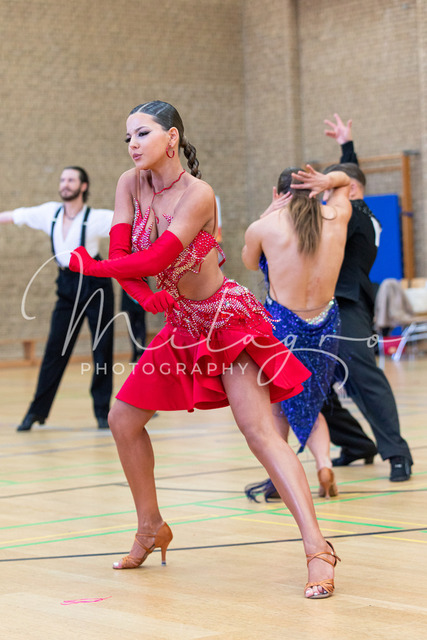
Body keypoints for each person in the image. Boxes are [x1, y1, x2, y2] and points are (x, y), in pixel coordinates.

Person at [68, 100, 341, 599]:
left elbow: (155, 258)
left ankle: (317, 548)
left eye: (143, 134)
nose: (132, 145)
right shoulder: (130, 184)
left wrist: (93, 268)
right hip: (181, 324)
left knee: (259, 433)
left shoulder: (199, 193)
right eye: (127, 137)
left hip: (225, 320)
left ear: (171, 138)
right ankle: (151, 527)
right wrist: (143, 296)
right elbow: (127, 256)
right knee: (122, 420)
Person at [242, 165, 351, 502]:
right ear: (316, 189)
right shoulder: (336, 217)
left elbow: (249, 262)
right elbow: (346, 181)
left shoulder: (264, 226)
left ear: (278, 193)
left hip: (282, 326)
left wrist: (265, 213)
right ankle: (324, 464)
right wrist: (329, 180)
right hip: (325, 325)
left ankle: (279, 476)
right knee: (312, 402)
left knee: (279, 405)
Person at [320, 113, 413, 482]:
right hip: (320, 309)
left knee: (363, 378)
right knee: (305, 383)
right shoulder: (350, 205)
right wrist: (347, 147)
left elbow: (349, 183)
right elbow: (351, 176)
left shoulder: (357, 213)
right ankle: (357, 444)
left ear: (350, 190)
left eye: (330, 188)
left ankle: (397, 453)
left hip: (348, 306)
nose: (324, 195)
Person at [0, 167, 115, 430]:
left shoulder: (96, 218)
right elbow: (17, 215)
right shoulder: (49, 213)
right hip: (66, 285)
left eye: (71, 180)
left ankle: (102, 411)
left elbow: (129, 223)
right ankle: (36, 411)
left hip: (95, 284)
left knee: (102, 349)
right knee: (55, 350)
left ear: (83, 186)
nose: (65, 184)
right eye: (62, 179)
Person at [121, 289, 146, 361]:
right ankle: (135, 350)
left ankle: (142, 349)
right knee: (134, 324)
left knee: (140, 323)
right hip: (130, 293)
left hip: (140, 292)